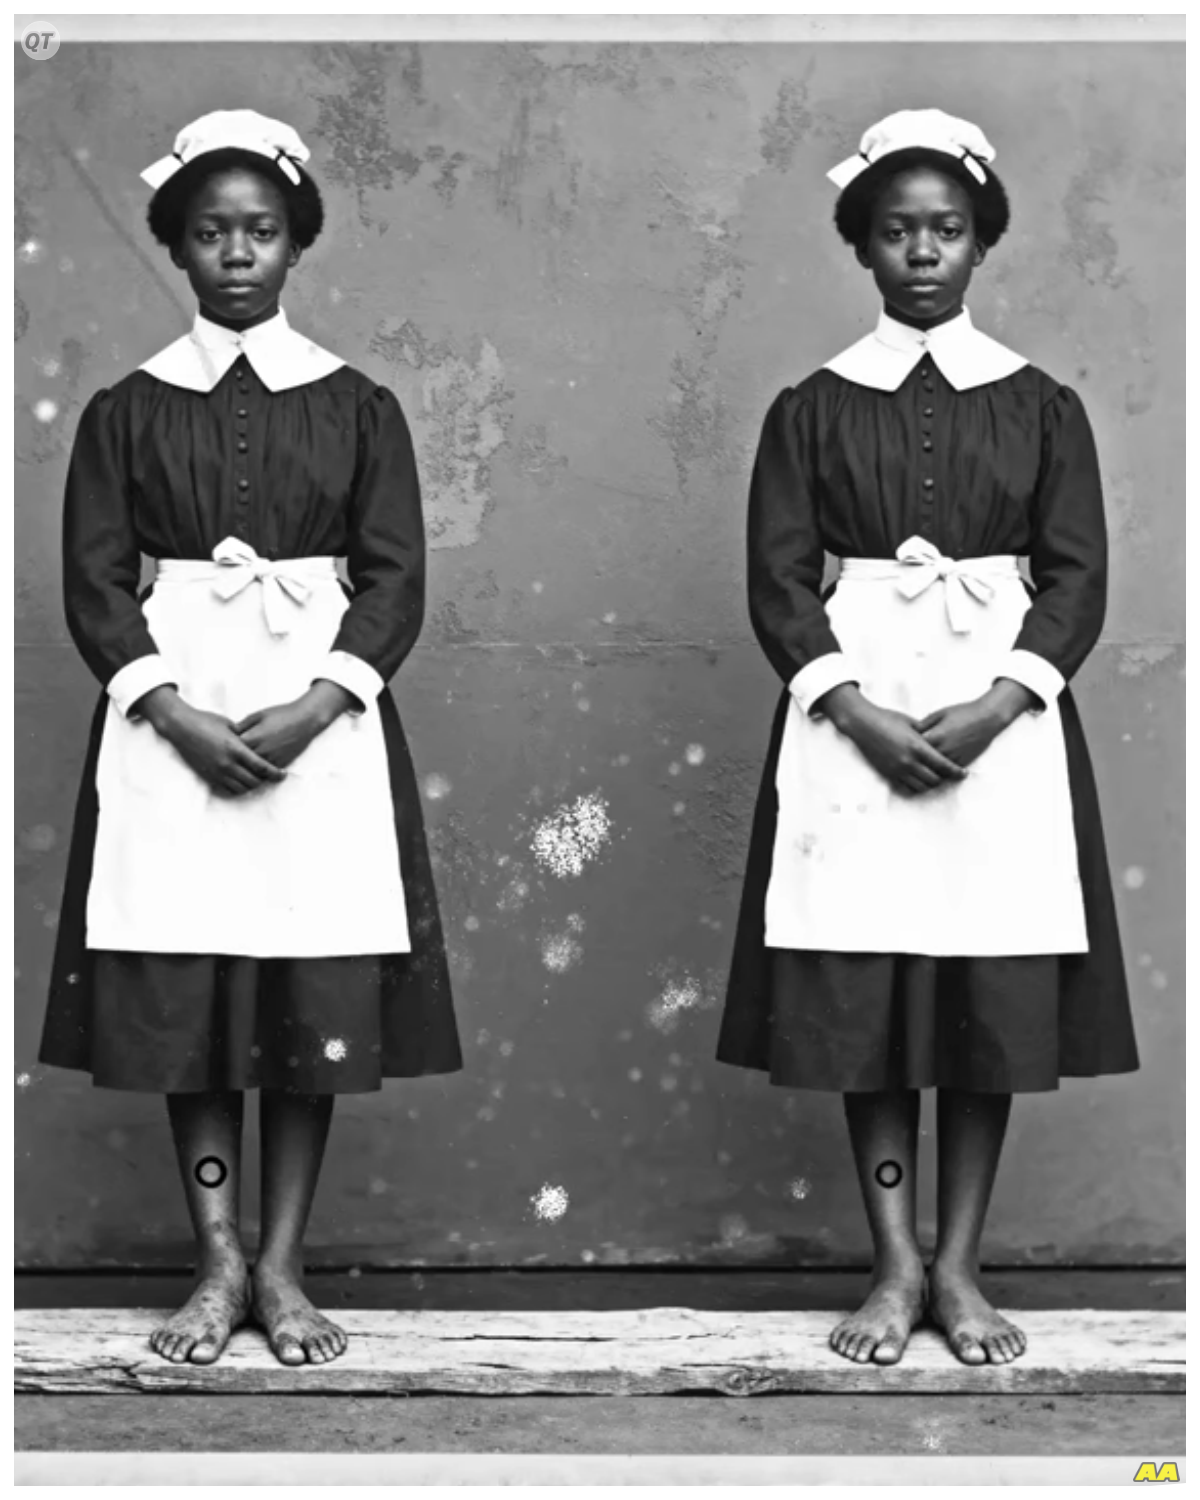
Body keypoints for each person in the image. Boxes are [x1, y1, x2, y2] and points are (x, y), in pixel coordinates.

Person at [39, 110, 462, 1367]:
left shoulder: (357, 406)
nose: (237, 252)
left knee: (302, 988)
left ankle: (282, 1265)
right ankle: (216, 1260)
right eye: (213, 232)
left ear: (296, 245)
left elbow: (395, 579)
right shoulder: (126, 410)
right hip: (173, 717)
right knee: (192, 992)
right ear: (177, 246)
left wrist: (320, 704)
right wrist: (170, 711)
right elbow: (93, 582)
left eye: (261, 231)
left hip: (316, 724)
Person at [717, 109, 1139, 1367]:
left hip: (999, 727)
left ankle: (960, 1264)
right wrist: (853, 710)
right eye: (897, 230)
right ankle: (894, 1263)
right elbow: (779, 580)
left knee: (982, 995)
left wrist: (1002, 703)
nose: (921, 252)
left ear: (980, 243)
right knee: (871, 994)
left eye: (945, 229)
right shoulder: (811, 409)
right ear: (861, 244)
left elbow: (1076, 578)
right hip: (854, 721)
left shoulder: (1041, 406)